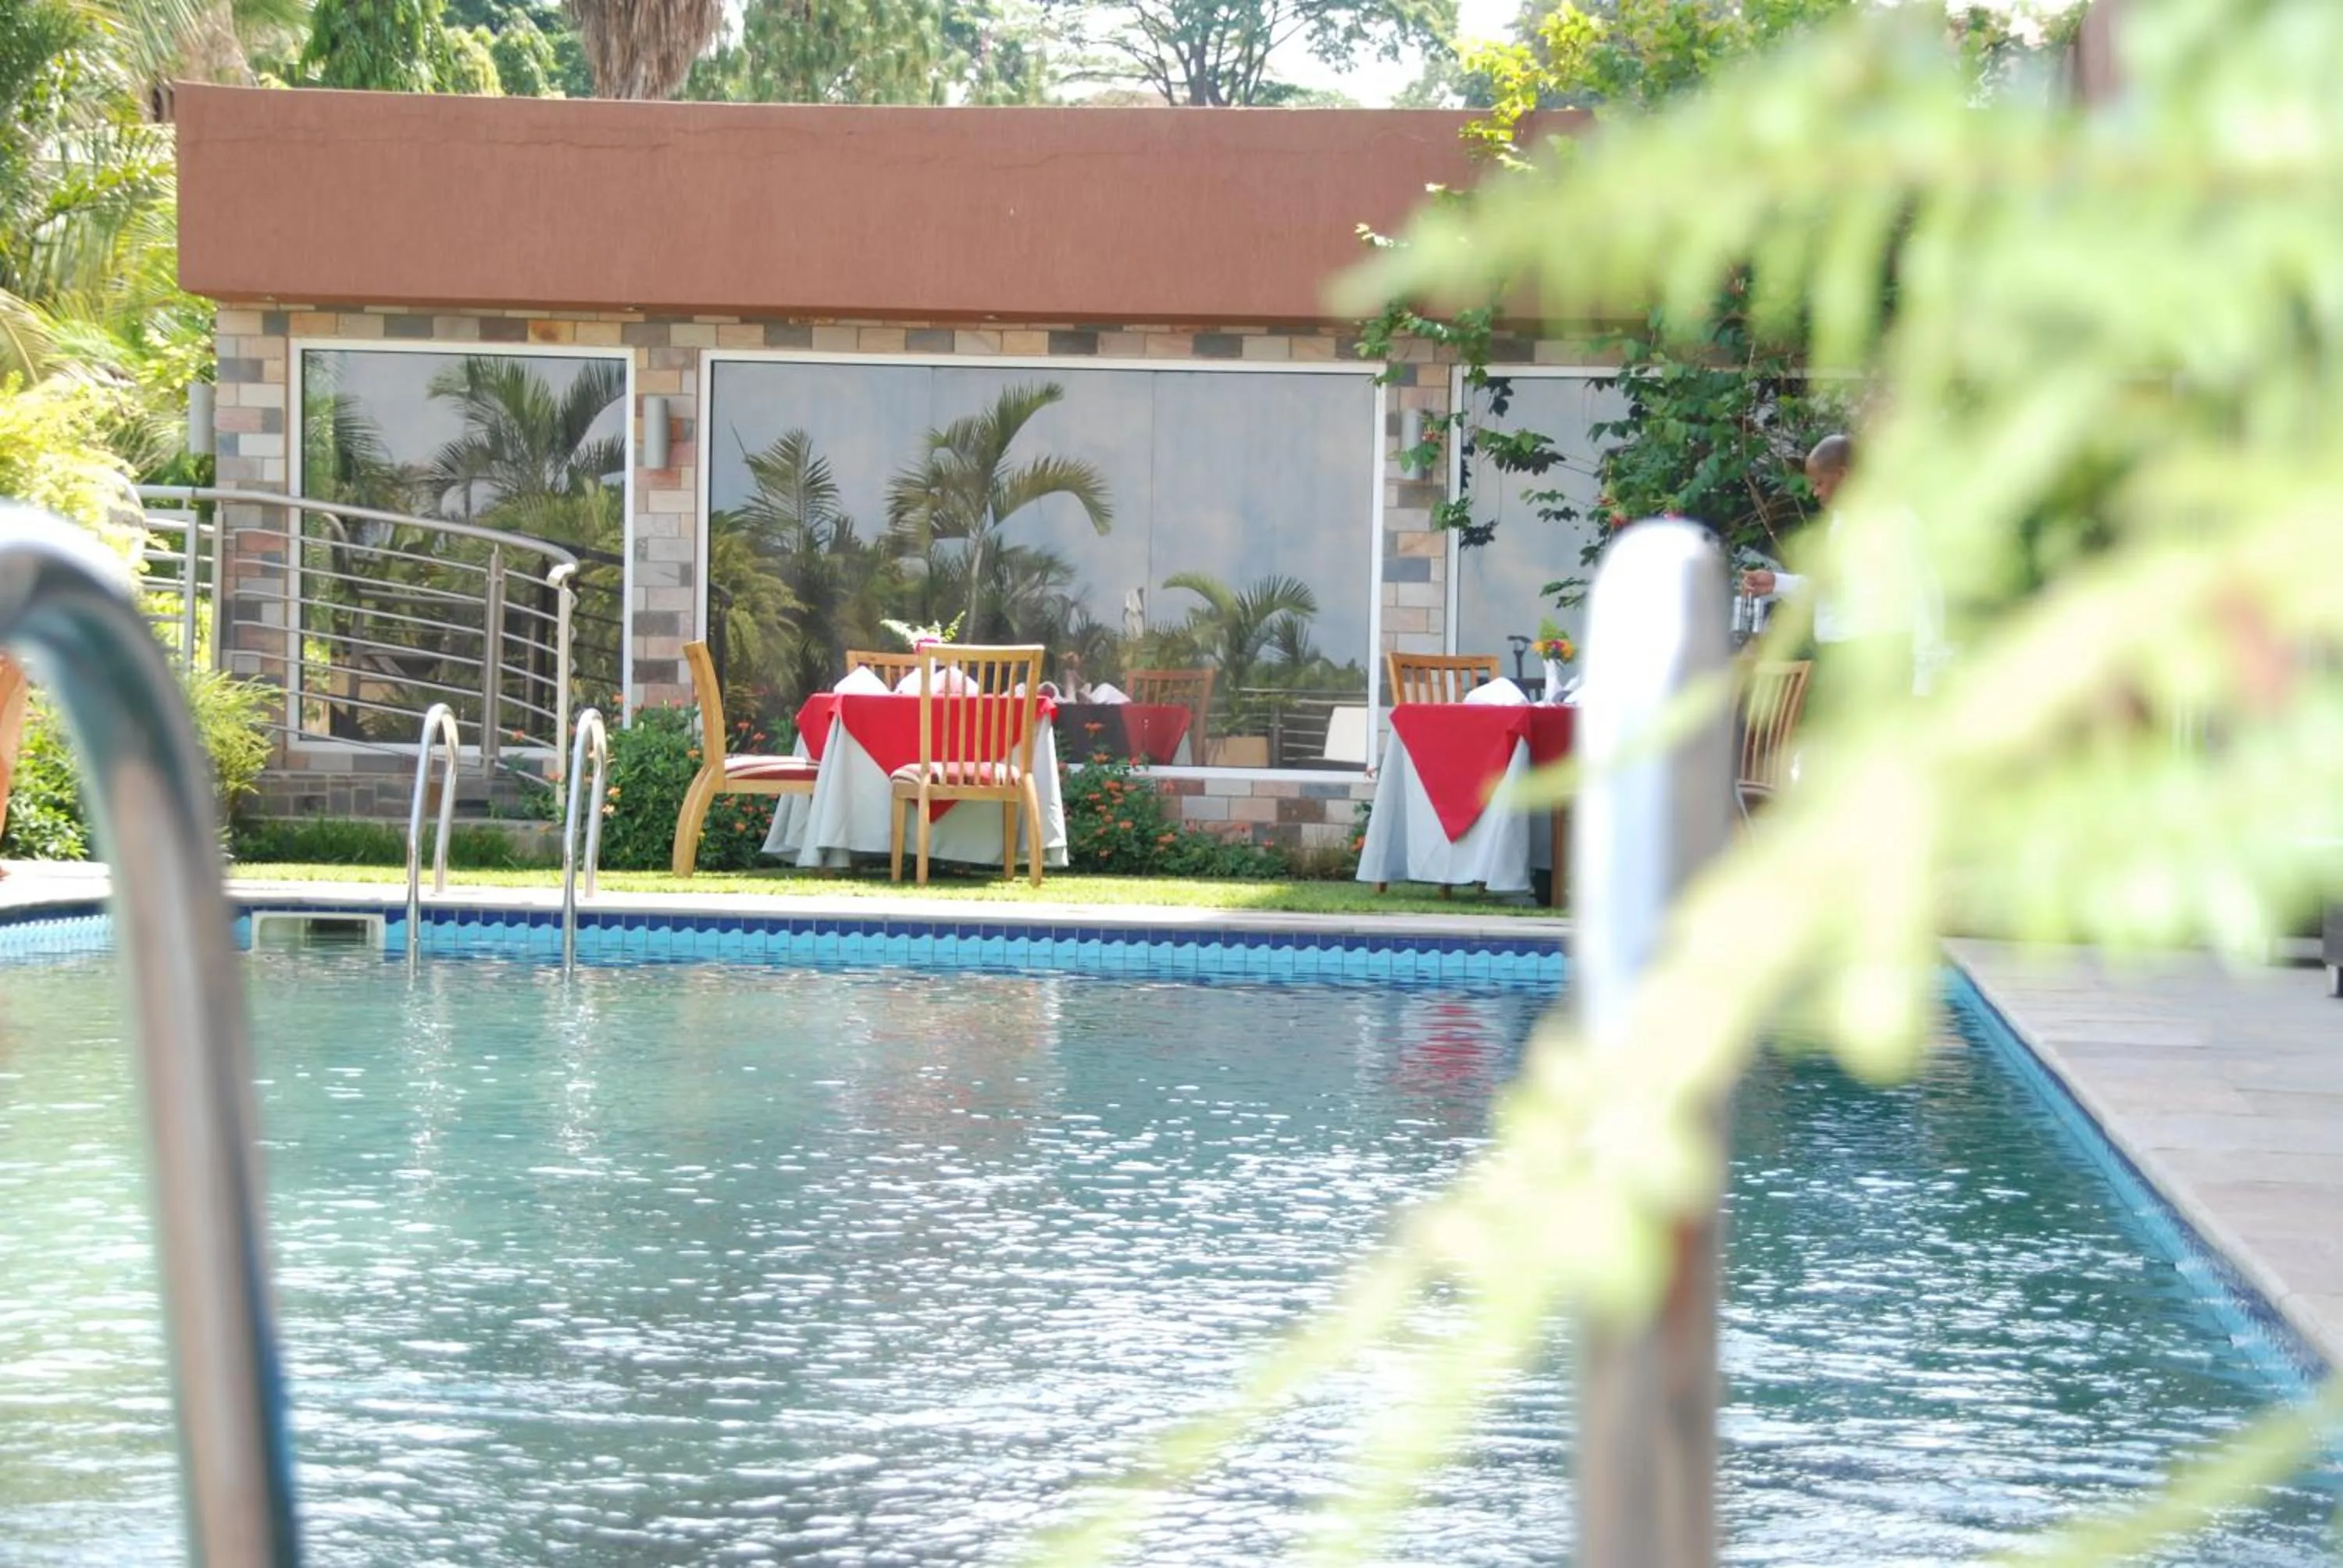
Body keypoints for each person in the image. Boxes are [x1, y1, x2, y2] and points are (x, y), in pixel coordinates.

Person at [1741, 433, 1945, 699]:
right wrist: (1777, 583)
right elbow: (1833, 591)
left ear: (1843, 475)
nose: (1815, 493)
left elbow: (1926, 598)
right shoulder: (1841, 525)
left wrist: (1924, 683)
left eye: (1819, 483)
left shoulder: (1896, 523)